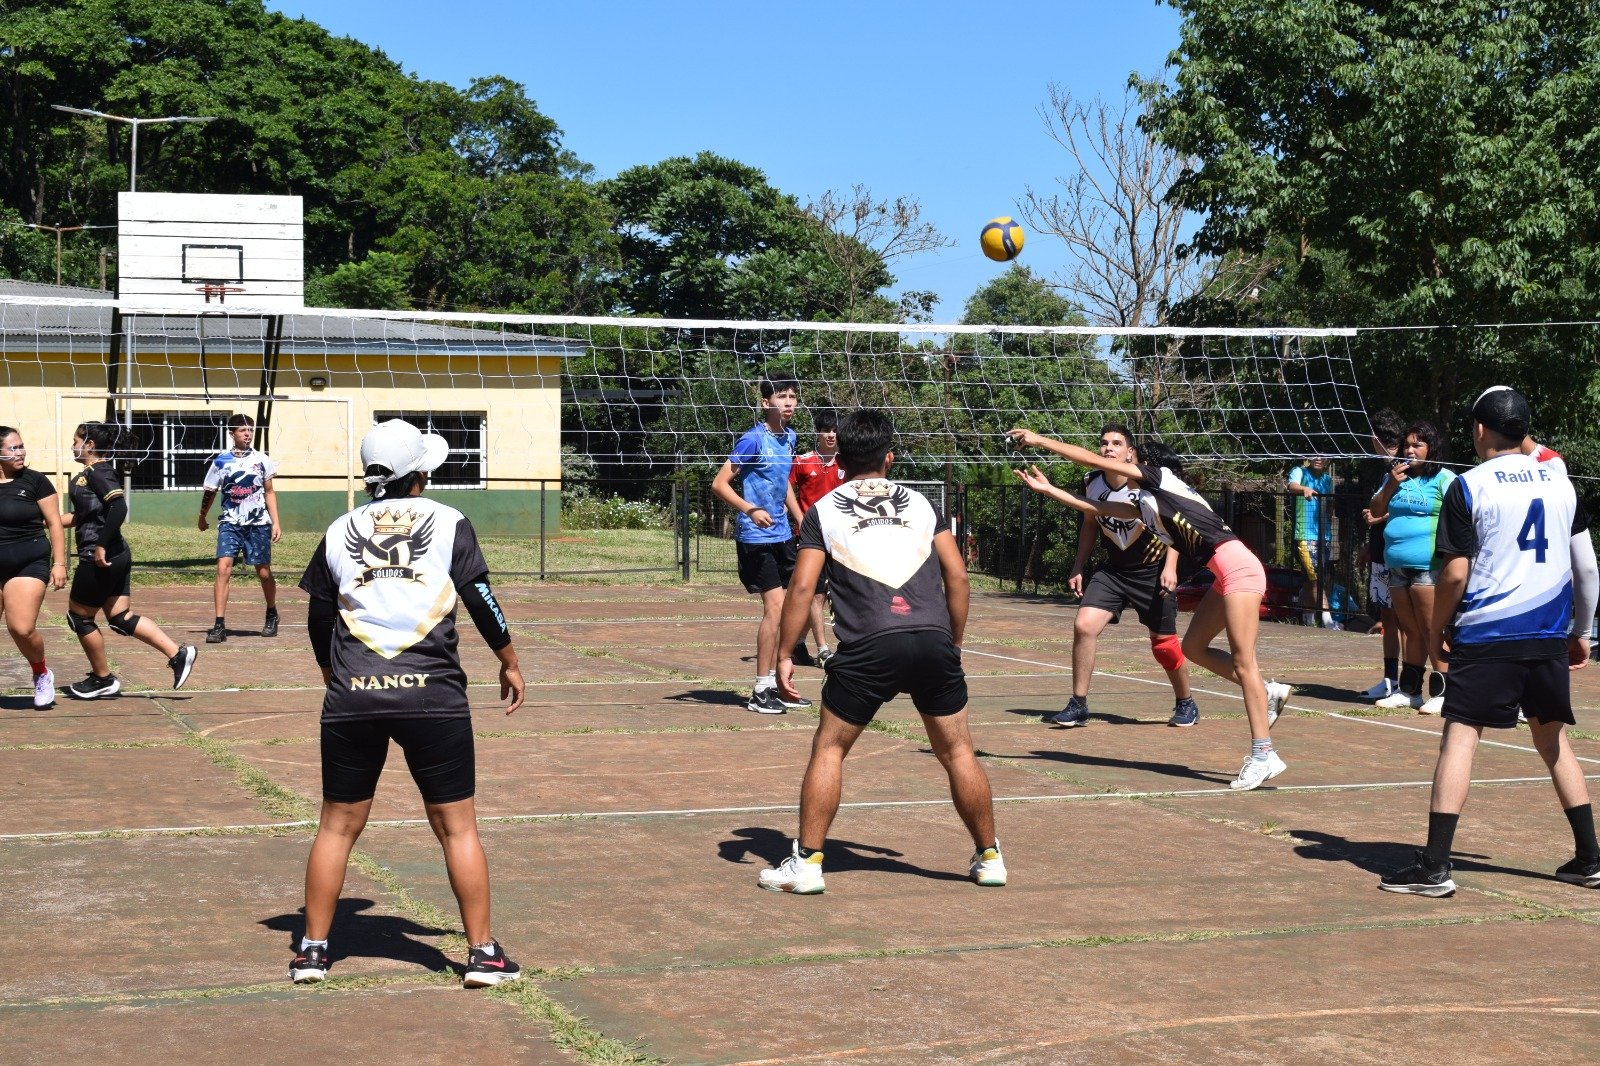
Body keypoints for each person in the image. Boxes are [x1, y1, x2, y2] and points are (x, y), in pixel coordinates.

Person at [292, 418, 526, 986]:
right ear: (419, 474)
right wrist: (510, 660)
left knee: (336, 827)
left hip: (354, 694)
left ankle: (313, 952)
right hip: (434, 696)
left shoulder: (338, 527)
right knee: (457, 828)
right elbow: (481, 599)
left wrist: (331, 671)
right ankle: (482, 956)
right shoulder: (450, 521)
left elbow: (319, 616)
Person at [758, 409, 1004, 893]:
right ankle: (989, 856)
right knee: (958, 751)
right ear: (889, 457)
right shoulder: (920, 502)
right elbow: (957, 576)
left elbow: (803, 586)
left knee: (829, 749)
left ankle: (807, 865)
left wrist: (786, 653)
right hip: (933, 639)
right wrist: (952, 641)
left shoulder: (824, 509)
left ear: (840, 460)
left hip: (869, 645)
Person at [1380, 387, 1600, 896]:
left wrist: (1438, 634)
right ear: (1525, 430)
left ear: (1479, 431)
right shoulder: (1561, 483)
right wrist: (1581, 632)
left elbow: (1455, 574)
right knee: (1553, 742)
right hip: (1546, 632)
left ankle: (1435, 867)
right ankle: (1589, 858)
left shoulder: (1470, 485)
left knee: (1460, 737)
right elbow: (1586, 568)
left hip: (1488, 632)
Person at [1010, 431, 1293, 791]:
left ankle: (1263, 754)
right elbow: (1098, 509)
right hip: (1223, 574)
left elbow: (1089, 459)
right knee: (1193, 648)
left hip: (1240, 568)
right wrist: (1049, 491)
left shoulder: (1161, 479)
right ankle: (1266, 692)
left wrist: (1038, 440)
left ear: (1144, 462)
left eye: (1127, 455)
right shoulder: (1145, 503)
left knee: (1243, 663)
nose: (1115, 458)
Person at [1050, 424, 1199, 729]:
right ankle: (1078, 704)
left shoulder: (1146, 481)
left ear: (1130, 452)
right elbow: (1090, 522)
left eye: (1117, 443)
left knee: (1164, 645)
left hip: (1153, 570)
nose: (1109, 448)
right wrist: (1079, 565)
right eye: (1104, 443)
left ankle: (1186, 702)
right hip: (1115, 570)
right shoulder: (1092, 480)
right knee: (1084, 625)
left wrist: (1171, 567)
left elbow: (1175, 527)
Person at [60, 422, 197, 700]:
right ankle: (178, 654)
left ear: (89, 445)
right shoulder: (92, 473)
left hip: (100, 556)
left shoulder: (97, 471)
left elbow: (118, 506)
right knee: (121, 617)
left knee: (79, 616)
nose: (72, 446)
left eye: (75, 441)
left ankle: (102, 679)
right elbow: (86, 516)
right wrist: (40, 522)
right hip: (116, 553)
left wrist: (99, 545)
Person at [712, 377, 811, 714]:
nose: (788, 402)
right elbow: (720, 484)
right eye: (781, 397)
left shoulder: (789, 437)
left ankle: (777, 684)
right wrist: (750, 509)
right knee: (775, 606)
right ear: (766, 403)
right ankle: (760, 689)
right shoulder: (753, 440)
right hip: (756, 538)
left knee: (790, 607)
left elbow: (783, 484)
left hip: (783, 534)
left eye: (793, 397)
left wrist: (801, 518)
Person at [1370, 422, 1456, 714]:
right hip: (1396, 564)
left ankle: (1444, 692)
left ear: (1432, 449)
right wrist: (1392, 483)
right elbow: (1377, 510)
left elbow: (1461, 516)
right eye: (1407, 444)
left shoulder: (1445, 478)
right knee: (1409, 629)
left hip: (1428, 566)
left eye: (1417, 444)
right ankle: (1410, 691)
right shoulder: (1394, 476)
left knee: (1432, 629)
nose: (1409, 449)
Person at [198, 414, 281, 643]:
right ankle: (219, 624)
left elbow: (269, 492)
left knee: (263, 572)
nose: (247, 434)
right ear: (232, 434)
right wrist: (202, 516)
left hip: (258, 523)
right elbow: (210, 491)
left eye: (250, 430)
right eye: (242, 430)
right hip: (230, 523)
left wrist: (276, 522)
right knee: (223, 568)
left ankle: (272, 612)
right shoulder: (221, 461)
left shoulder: (262, 460)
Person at [0, 427, 67, 707]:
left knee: (22, 628)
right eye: (13, 448)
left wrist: (60, 563)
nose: (21, 452)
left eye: (22, 446)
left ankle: (41, 673)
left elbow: (54, 522)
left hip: (27, 561)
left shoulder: (35, 481)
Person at [787, 408, 846, 667]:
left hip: (840, 537)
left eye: (834, 430)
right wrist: (801, 518)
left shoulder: (847, 463)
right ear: (817, 432)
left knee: (835, 592)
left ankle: (798, 643)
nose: (830, 434)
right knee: (817, 594)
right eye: (826, 430)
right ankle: (823, 649)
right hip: (812, 537)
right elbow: (786, 486)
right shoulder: (803, 461)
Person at [1360, 410, 1407, 699]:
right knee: (1387, 618)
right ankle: (1390, 680)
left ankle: (1410, 681)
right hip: (1380, 549)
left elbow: (1412, 503)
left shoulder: (1404, 465)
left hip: (1399, 553)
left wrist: (1380, 517)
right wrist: (1369, 545)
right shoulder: (1384, 467)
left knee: (1405, 621)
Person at [1287, 456, 1340, 629]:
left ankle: (1307, 621)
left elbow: (1330, 505)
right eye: (1314, 454)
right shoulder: (1299, 471)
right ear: (1308, 457)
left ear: (1328, 460)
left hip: (1323, 536)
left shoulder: (1327, 480)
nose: (1318, 458)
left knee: (1311, 581)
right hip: (1303, 535)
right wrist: (1304, 489)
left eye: (1323, 456)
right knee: (1315, 579)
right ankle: (1328, 621)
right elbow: (1291, 486)